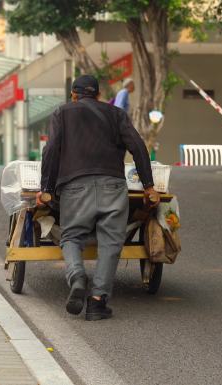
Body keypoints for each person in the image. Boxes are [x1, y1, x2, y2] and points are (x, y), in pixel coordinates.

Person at [39, 74, 158, 321]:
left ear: (73, 94)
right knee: (112, 243)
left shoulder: (63, 113)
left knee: (71, 235)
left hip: (75, 186)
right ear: (98, 95)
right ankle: (97, 302)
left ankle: (77, 276)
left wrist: (46, 188)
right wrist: (148, 186)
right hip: (112, 186)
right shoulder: (116, 114)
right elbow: (138, 147)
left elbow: (51, 150)